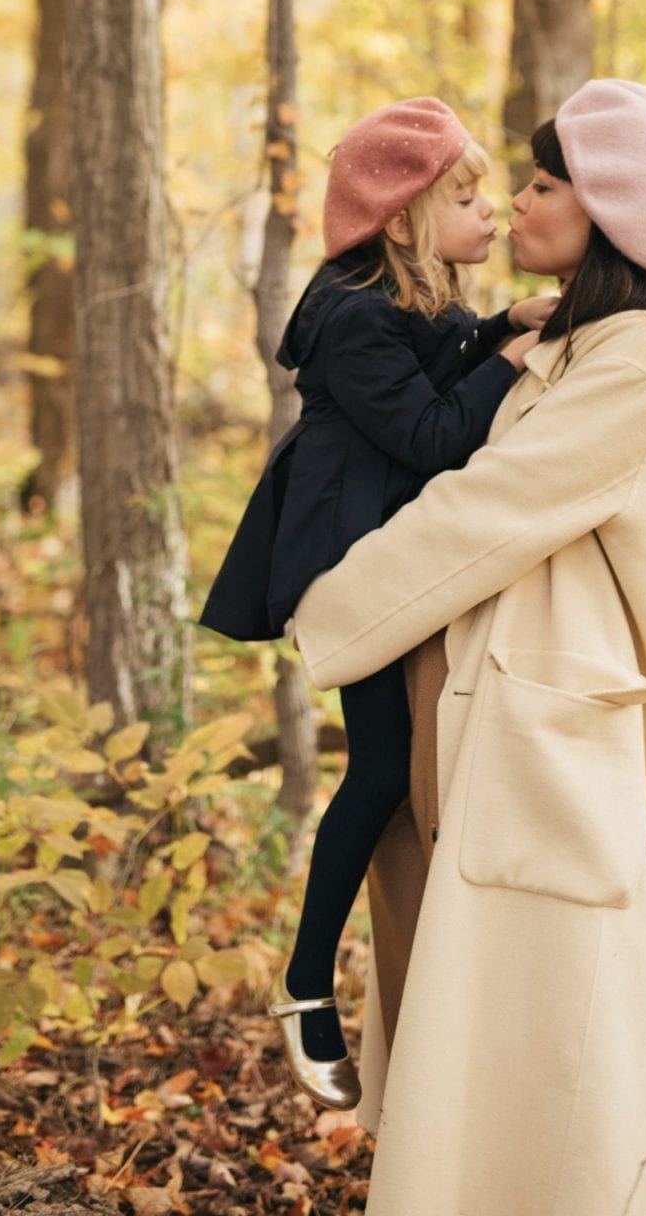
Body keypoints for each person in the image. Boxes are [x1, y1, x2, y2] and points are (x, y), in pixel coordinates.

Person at [291, 77, 646, 1216]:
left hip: (549, 735)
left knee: (541, 1059)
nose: (519, 204)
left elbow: (490, 505)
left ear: (609, 212)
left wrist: (326, 612)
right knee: (473, 1037)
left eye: (543, 184)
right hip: (487, 713)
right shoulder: (589, 337)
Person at [199, 96, 557, 1107]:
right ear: (400, 217)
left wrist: (497, 325)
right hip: (342, 560)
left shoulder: (407, 291)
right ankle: (304, 980)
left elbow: (436, 359)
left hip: (388, 546)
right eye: (465, 195)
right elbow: (435, 432)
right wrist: (509, 355)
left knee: (408, 766)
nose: (489, 212)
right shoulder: (353, 313)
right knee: (385, 770)